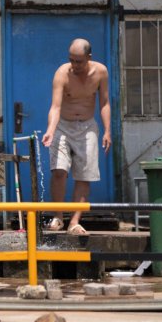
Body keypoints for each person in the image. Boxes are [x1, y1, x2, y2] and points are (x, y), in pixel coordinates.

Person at [41, 38, 111, 236]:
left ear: (89, 57)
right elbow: (55, 106)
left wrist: (107, 130)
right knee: (59, 171)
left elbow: (104, 103)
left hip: (88, 126)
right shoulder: (62, 73)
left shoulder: (101, 72)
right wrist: (50, 130)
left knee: (84, 175)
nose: (74, 65)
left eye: (79, 61)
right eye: (71, 60)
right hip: (63, 125)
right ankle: (57, 216)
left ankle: (74, 222)